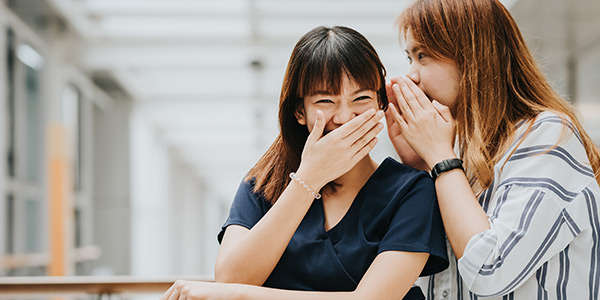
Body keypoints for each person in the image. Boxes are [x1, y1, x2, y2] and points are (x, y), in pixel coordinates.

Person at [161, 25, 448, 300]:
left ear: (381, 104)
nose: (345, 117)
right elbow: (232, 276)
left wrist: (238, 296)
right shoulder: (263, 183)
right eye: (326, 101)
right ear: (300, 111)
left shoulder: (412, 190)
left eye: (360, 98)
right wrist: (308, 179)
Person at [384, 0, 600, 299]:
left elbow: (489, 268)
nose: (411, 76)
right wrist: (421, 169)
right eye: (409, 57)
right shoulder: (456, 151)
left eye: (423, 56)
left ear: (473, 56)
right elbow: (437, 280)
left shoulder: (547, 135)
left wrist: (439, 159)